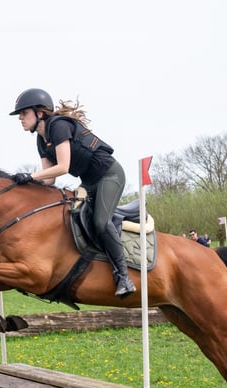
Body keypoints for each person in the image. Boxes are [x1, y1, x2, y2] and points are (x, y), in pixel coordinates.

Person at [9, 88, 136, 297]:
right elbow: (49, 179)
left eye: (24, 114)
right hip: (89, 181)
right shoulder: (41, 140)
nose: (20, 119)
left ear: (39, 113)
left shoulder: (58, 126)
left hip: (109, 175)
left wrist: (30, 176)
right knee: (70, 217)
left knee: (100, 222)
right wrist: (25, 188)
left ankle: (123, 276)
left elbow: (63, 167)